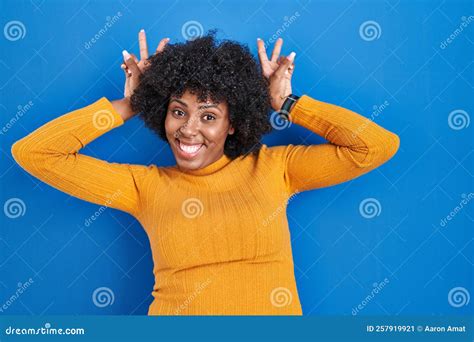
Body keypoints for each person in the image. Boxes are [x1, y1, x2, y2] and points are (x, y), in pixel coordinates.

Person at [11, 29, 400, 315]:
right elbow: (35, 153)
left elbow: (376, 146)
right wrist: (131, 104)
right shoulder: (144, 186)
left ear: (233, 124)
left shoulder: (275, 168)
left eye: (209, 116)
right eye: (178, 111)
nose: (188, 129)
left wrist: (287, 102)